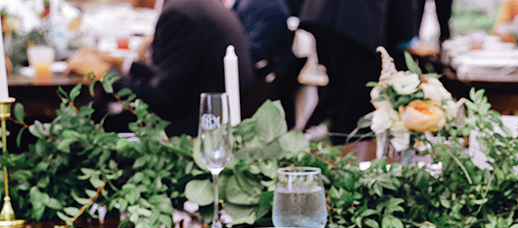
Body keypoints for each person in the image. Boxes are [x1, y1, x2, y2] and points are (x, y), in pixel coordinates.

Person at [67, 0, 253, 137]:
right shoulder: (189, 6)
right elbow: (170, 76)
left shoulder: (179, 15)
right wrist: (118, 63)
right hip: (207, 112)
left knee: (97, 122)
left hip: (196, 126)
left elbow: (158, 97)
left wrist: (103, 73)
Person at [297, 0, 419, 140]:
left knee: (339, 87)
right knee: (355, 96)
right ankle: (345, 147)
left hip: (321, 12)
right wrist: (408, 38)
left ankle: (318, 134)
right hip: (357, 20)